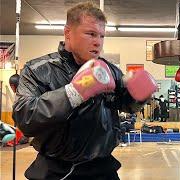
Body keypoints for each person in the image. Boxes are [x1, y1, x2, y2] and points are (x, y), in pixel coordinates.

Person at [12, 2, 156, 179]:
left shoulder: (109, 69)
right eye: (91, 34)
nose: (98, 42)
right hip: (55, 170)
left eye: (102, 36)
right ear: (68, 33)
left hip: (103, 169)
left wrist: (139, 96)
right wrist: (73, 93)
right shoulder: (38, 69)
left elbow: (125, 105)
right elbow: (24, 118)